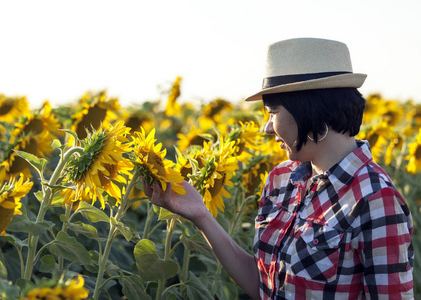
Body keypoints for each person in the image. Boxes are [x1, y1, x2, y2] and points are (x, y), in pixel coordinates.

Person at [143, 37, 414, 299]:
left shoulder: (376, 201)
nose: (267, 127)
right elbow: (265, 286)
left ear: (310, 110)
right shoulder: (281, 179)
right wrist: (201, 215)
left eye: (273, 112)